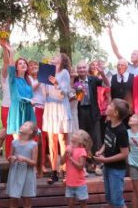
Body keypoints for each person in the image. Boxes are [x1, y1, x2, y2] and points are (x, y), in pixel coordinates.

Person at [95, 98, 131, 208]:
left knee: (118, 201)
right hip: (108, 168)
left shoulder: (122, 131)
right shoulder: (109, 124)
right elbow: (107, 141)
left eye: (110, 105)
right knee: (110, 199)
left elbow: (124, 153)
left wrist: (105, 160)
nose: (108, 106)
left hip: (117, 170)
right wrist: (100, 151)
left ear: (115, 113)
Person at [75, 60, 110, 175]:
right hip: (81, 112)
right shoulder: (76, 81)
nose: (82, 70)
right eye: (79, 68)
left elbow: (107, 84)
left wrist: (102, 73)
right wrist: (80, 91)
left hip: (93, 111)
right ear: (77, 70)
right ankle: (86, 164)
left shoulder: (93, 79)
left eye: (83, 67)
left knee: (95, 138)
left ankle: (97, 164)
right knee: (83, 138)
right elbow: (79, 98)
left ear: (87, 69)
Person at [42, 53, 72, 184]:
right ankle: (54, 172)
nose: (53, 57)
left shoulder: (64, 73)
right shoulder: (48, 73)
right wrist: (43, 81)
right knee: (51, 141)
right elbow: (44, 93)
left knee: (62, 141)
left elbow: (64, 93)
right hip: (50, 107)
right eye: (53, 56)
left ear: (62, 61)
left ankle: (65, 171)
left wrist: (56, 83)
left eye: (57, 56)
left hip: (60, 107)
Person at [0, 41, 36, 138]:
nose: (23, 65)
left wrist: (33, 102)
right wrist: (11, 52)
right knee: (18, 139)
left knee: (28, 138)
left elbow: (31, 97)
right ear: (16, 68)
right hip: (17, 110)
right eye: (20, 64)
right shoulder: (13, 79)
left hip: (28, 109)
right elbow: (10, 67)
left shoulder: (28, 81)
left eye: (24, 63)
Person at [6, 121, 38, 208]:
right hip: (15, 173)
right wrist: (11, 158)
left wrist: (24, 159)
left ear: (30, 131)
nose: (22, 125)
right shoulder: (14, 143)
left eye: (26, 125)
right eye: (23, 124)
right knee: (13, 201)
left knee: (27, 202)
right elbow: (9, 157)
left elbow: (34, 162)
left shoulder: (33, 145)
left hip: (28, 174)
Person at [61, 130, 91, 208]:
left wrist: (70, 158)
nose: (74, 134)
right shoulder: (68, 148)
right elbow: (61, 162)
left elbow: (80, 166)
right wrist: (65, 153)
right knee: (70, 205)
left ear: (81, 140)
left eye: (77, 134)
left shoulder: (82, 151)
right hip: (69, 183)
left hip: (80, 184)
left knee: (83, 206)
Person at [28, 60, 47, 175]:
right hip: (35, 109)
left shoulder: (44, 78)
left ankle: (42, 163)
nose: (34, 66)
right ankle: (34, 164)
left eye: (35, 65)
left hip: (46, 109)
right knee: (35, 137)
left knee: (44, 137)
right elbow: (31, 90)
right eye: (31, 65)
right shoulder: (28, 79)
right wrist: (41, 79)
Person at [89, 60, 111, 143]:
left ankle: (101, 148)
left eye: (97, 65)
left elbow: (109, 97)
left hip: (102, 111)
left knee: (102, 133)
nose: (95, 66)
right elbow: (79, 96)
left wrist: (109, 113)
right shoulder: (85, 78)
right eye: (92, 65)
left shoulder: (103, 80)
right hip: (89, 110)